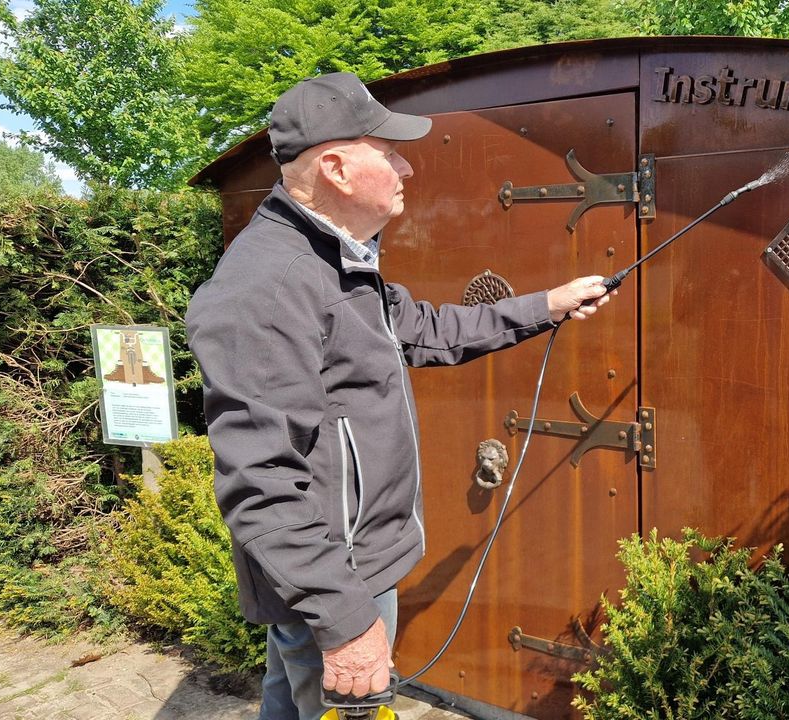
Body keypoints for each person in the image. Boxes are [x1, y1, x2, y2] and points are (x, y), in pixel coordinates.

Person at [185, 71, 610, 720]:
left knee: (287, 696)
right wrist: (347, 623)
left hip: (341, 568)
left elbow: (429, 330)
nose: (407, 166)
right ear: (336, 168)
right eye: (387, 153)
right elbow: (260, 479)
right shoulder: (268, 287)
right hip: (338, 574)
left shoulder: (336, 262)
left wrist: (547, 305)